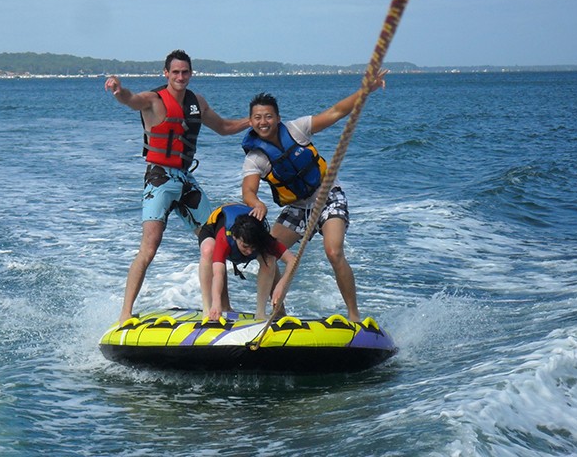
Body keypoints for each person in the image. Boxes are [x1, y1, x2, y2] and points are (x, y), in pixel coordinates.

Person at [105, 50, 249, 324]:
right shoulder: (153, 100)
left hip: (185, 180)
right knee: (150, 246)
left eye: (185, 72)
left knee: (216, 239)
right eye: (175, 72)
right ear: (166, 73)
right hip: (159, 179)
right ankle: (125, 314)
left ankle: (224, 308)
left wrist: (253, 121)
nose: (180, 77)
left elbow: (224, 127)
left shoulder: (197, 103)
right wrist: (118, 89)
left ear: (191, 74)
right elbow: (130, 100)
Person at [240, 70, 388, 322]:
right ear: (251, 121)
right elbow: (248, 191)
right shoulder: (256, 158)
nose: (263, 122)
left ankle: (354, 317)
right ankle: (278, 316)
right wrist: (256, 203)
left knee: (333, 251)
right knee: (267, 254)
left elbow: (336, 112)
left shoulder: (297, 129)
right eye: (257, 118)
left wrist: (367, 90)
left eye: (268, 116)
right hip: (297, 208)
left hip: (328, 196)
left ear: (278, 118)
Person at [198, 203, 295, 321]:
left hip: (251, 230)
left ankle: (260, 313)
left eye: (253, 247)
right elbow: (218, 274)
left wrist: (281, 285)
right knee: (208, 250)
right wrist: (216, 302)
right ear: (235, 237)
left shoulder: (263, 239)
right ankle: (208, 310)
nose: (249, 252)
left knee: (269, 257)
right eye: (245, 246)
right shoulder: (225, 238)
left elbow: (292, 260)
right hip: (212, 232)